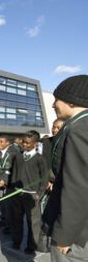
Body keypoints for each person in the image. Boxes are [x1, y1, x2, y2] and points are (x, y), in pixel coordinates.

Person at [42, 75, 88, 261]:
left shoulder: (79, 130)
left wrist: (65, 235)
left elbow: (78, 187)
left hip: (76, 233)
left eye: (57, 99)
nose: (53, 105)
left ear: (71, 100)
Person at [10, 131, 48, 254]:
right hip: (17, 194)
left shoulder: (40, 159)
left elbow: (44, 178)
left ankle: (31, 246)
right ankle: (16, 241)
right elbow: (14, 173)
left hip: (32, 196)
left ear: (35, 144)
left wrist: (39, 194)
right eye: (23, 142)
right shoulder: (18, 156)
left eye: (28, 143)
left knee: (33, 222)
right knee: (17, 219)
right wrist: (13, 188)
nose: (24, 145)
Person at [0, 135, 17, 235]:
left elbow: (12, 169)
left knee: (8, 205)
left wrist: (5, 180)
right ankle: (4, 219)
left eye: (2, 142)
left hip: (9, 183)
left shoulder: (13, 153)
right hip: (0, 181)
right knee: (1, 202)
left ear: (8, 143)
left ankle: (9, 225)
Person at [41, 119, 64, 191]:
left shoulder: (69, 142)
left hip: (63, 182)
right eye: (53, 127)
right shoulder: (47, 141)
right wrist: (46, 181)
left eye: (58, 128)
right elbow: (44, 162)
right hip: (48, 181)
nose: (55, 130)